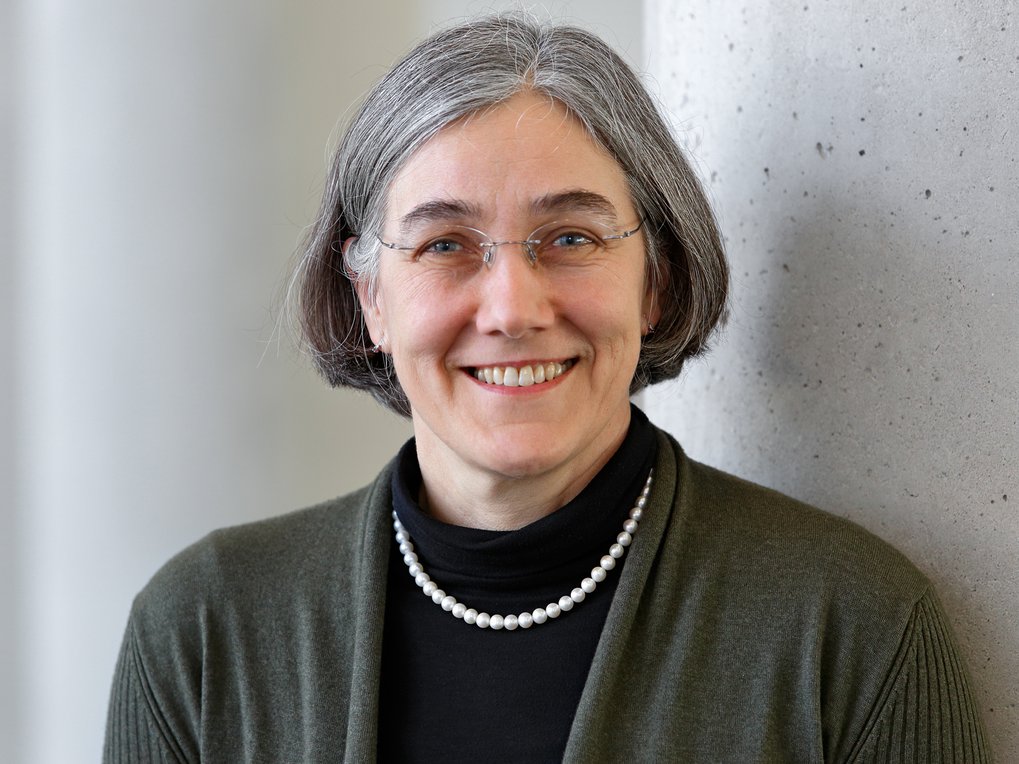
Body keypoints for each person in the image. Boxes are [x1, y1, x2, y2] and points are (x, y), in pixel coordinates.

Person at [104, 13, 988, 763]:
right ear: (370, 296)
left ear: (658, 281)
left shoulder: (853, 630)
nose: (511, 308)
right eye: (444, 244)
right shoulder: (204, 631)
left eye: (569, 238)